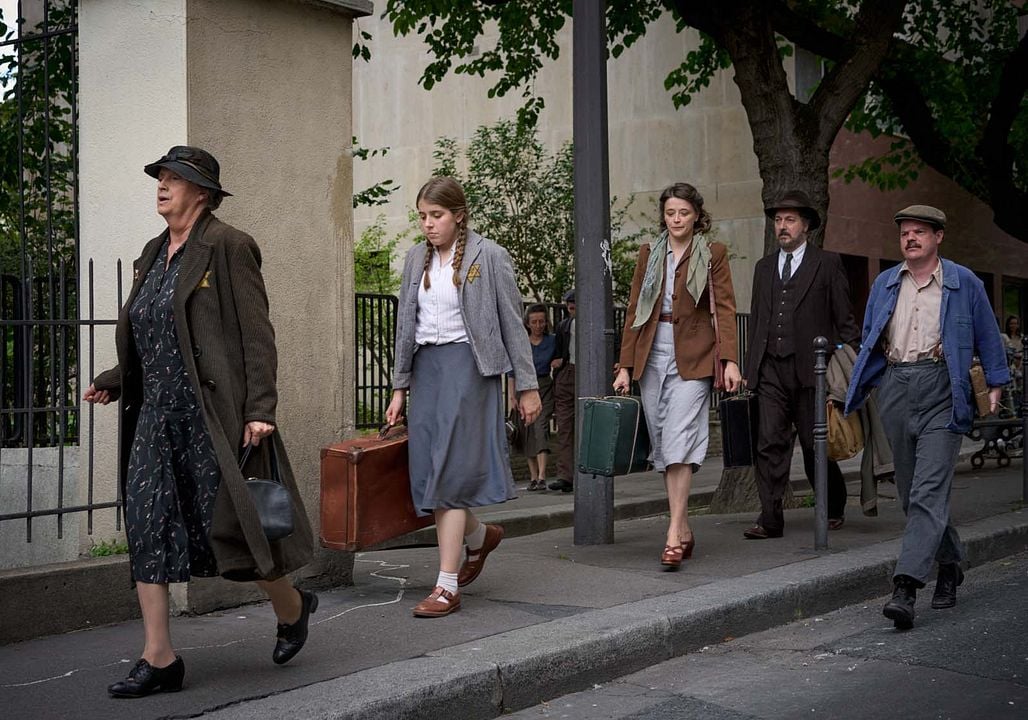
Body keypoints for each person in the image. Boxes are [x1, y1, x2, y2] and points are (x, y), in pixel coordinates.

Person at [84, 146, 316, 698]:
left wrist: (261, 409)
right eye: (160, 177)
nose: (162, 185)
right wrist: (118, 377)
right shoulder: (152, 251)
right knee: (148, 523)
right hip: (156, 418)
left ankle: (291, 605)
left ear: (202, 193)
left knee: (236, 527)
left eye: (174, 178)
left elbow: (257, 336)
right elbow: (155, 333)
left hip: (211, 416)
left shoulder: (229, 247)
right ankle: (159, 657)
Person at [845, 204, 1009, 630]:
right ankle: (951, 563)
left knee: (928, 490)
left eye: (920, 232)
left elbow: (988, 333)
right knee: (909, 491)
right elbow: (869, 335)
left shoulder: (963, 282)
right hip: (897, 386)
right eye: (905, 233)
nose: (911, 238)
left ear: (938, 237)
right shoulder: (885, 283)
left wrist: (995, 381)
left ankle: (905, 586)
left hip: (943, 387)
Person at [385, 176, 541, 618]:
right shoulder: (416, 258)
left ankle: (446, 585)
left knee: (450, 475)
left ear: (458, 215)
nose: (428, 225)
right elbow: (404, 327)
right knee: (430, 475)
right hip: (427, 373)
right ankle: (479, 537)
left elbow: (513, 323)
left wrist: (526, 386)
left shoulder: (489, 256)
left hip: (472, 372)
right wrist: (400, 387)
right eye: (422, 217)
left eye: (436, 216)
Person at [613, 182, 742, 569]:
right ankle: (683, 527)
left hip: (695, 354)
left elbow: (724, 306)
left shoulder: (713, 253)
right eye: (670, 213)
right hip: (652, 351)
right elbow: (636, 308)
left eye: (683, 213)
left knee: (679, 438)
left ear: (697, 216)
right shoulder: (649, 253)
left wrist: (731, 360)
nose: (676, 219)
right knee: (665, 447)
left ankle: (672, 533)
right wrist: (625, 366)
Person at [743, 190, 860, 540]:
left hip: (813, 370)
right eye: (779, 220)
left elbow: (845, 319)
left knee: (815, 445)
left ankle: (834, 503)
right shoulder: (763, 268)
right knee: (769, 443)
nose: (783, 226)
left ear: (805, 225)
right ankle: (770, 519)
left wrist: (851, 364)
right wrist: (751, 369)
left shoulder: (827, 263)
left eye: (790, 220)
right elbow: (758, 320)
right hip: (771, 370)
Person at [512, 303, 557, 491]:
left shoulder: (552, 341)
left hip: (544, 385)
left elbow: (561, 356)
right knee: (526, 430)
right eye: (534, 322)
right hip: (523, 388)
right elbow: (512, 370)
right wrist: (512, 397)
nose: (538, 326)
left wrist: (559, 361)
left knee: (540, 427)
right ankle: (532, 476)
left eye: (541, 322)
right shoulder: (521, 343)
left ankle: (542, 475)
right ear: (528, 324)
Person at [548, 289, 577, 493]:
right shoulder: (563, 325)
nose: (571, 307)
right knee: (564, 425)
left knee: (585, 426)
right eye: (569, 304)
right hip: (567, 373)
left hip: (586, 373)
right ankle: (565, 475)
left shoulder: (594, 323)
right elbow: (559, 352)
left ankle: (582, 472)